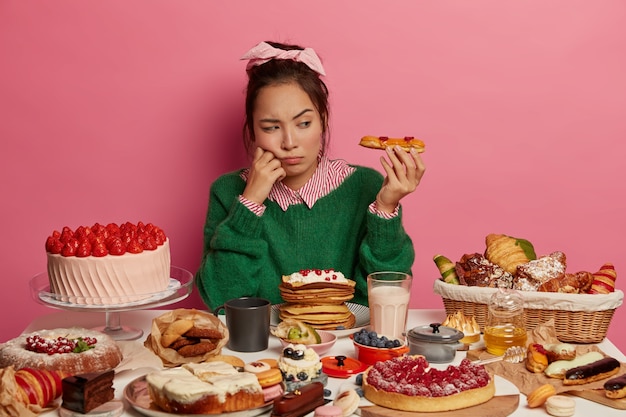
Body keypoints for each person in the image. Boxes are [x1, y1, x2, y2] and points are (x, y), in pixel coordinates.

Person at [196, 41, 425, 311]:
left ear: (323, 120)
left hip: (343, 348)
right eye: (271, 127)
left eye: (303, 123)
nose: (289, 141)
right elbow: (223, 301)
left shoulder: (366, 187)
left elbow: (385, 299)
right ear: (253, 130)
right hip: (260, 351)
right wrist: (251, 203)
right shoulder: (228, 191)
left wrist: (386, 209)